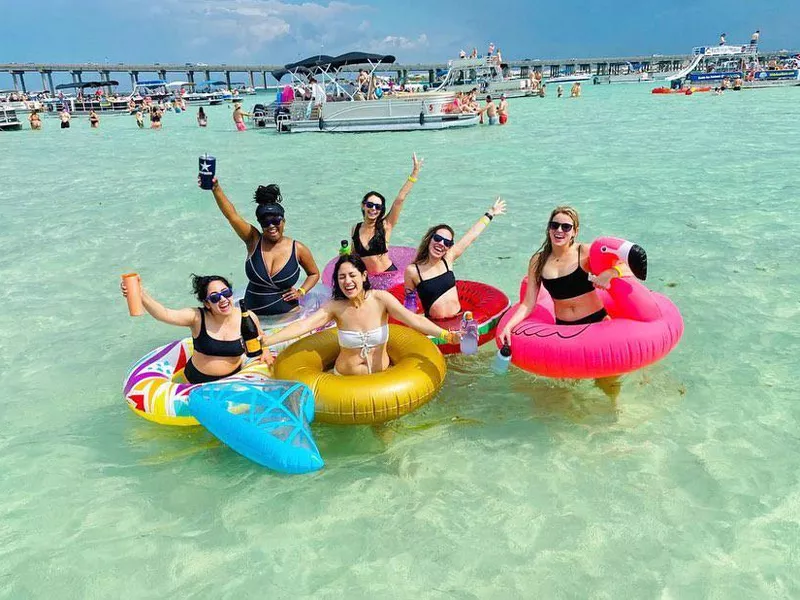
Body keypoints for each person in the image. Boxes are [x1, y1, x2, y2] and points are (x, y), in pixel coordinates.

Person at [498, 206, 627, 398]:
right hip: (564, 328)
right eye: (555, 225)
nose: (559, 231)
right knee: (568, 385)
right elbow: (528, 302)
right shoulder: (538, 260)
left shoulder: (585, 251)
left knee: (607, 379)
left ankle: (614, 412)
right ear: (549, 228)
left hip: (596, 322)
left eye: (566, 227)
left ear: (575, 231)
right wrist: (508, 326)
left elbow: (623, 261)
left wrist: (610, 273)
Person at [261, 255, 460, 375]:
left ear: (364, 276)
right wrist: (267, 341)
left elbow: (414, 319)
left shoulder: (381, 299)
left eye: (352, 275)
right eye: (341, 277)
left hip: (383, 376)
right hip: (346, 380)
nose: (347, 281)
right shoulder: (335, 307)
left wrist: (447, 335)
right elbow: (303, 326)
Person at [120, 274, 267, 383]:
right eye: (215, 297)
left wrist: (265, 352)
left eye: (226, 293)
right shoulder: (197, 317)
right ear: (207, 303)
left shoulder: (247, 317)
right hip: (194, 382)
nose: (222, 299)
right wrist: (140, 293)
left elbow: (261, 340)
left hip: (232, 381)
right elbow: (165, 314)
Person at [206, 179, 320, 316]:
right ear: (260, 224)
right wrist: (215, 188)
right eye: (265, 222)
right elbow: (232, 216)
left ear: (283, 221)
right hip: (251, 316)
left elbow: (314, 274)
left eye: (276, 220)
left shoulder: (298, 249)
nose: (271, 225)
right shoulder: (253, 240)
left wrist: (301, 291)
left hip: (287, 315)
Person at [404, 198, 507, 319]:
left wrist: (490, 213)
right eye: (437, 238)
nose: (441, 243)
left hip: (458, 319)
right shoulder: (413, 271)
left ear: (449, 247)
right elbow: (410, 303)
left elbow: (471, 236)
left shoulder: (447, 259)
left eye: (447, 242)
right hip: (435, 326)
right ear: (429, 239)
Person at [352, 154, 423, 274]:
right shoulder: (355, 228)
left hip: (389, 275)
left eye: (378, 207)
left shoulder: (386, 225)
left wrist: (414, 173)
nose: (373, 209)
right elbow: (354, 255)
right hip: (370, 279)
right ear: (363, 206)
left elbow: (399, 200)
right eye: (370, 205)